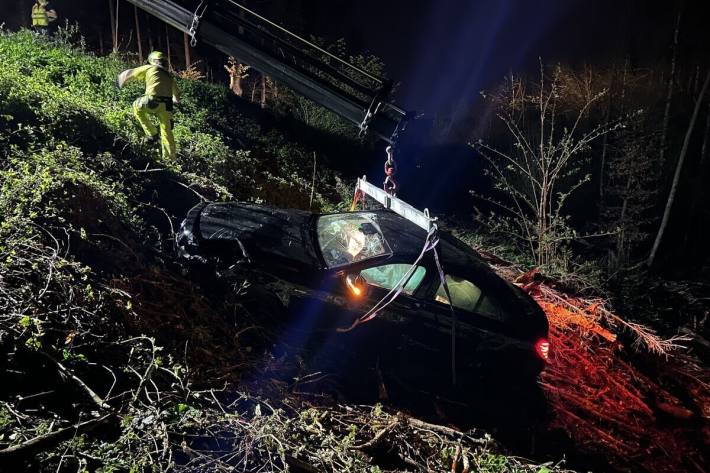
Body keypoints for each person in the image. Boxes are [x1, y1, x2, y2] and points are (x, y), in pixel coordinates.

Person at [117, 51, 180, 161]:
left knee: (136, 107)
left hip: (152, 101)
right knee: (167, 131)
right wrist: (174, 101)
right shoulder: (169, 76)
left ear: (152, 60)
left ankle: (152, 133)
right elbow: (177, 95)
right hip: (167, 106)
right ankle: (170, 159)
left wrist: (119, 83)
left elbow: (130, 74)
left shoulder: (149, 68)